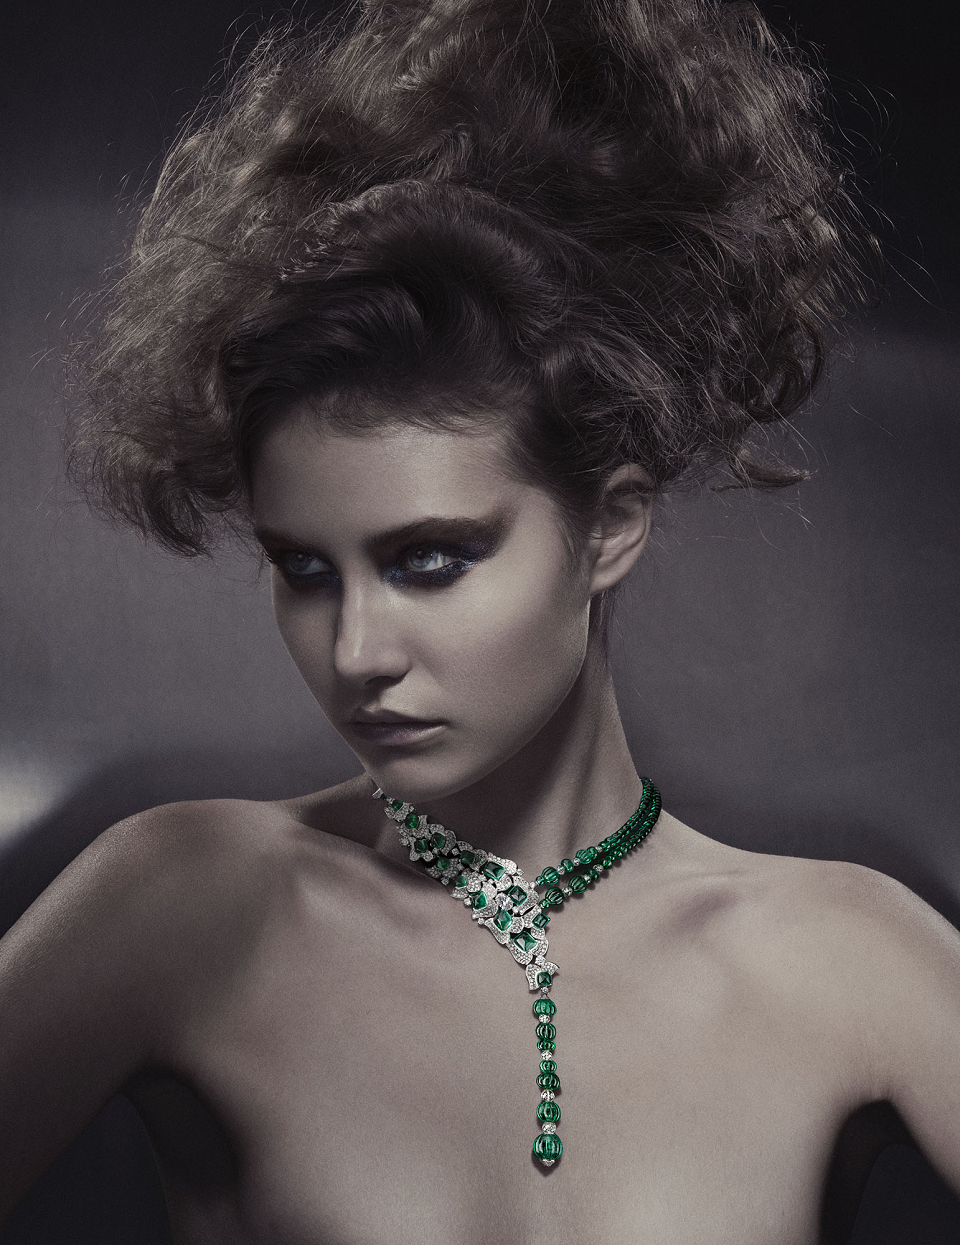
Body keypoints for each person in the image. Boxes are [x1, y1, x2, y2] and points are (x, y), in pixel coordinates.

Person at [2, 0, 959, 1240]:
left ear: (610, 526)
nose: (357, 653)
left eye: (431, 561)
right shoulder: (192, 901)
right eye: (305, 570)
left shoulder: (844, 955)